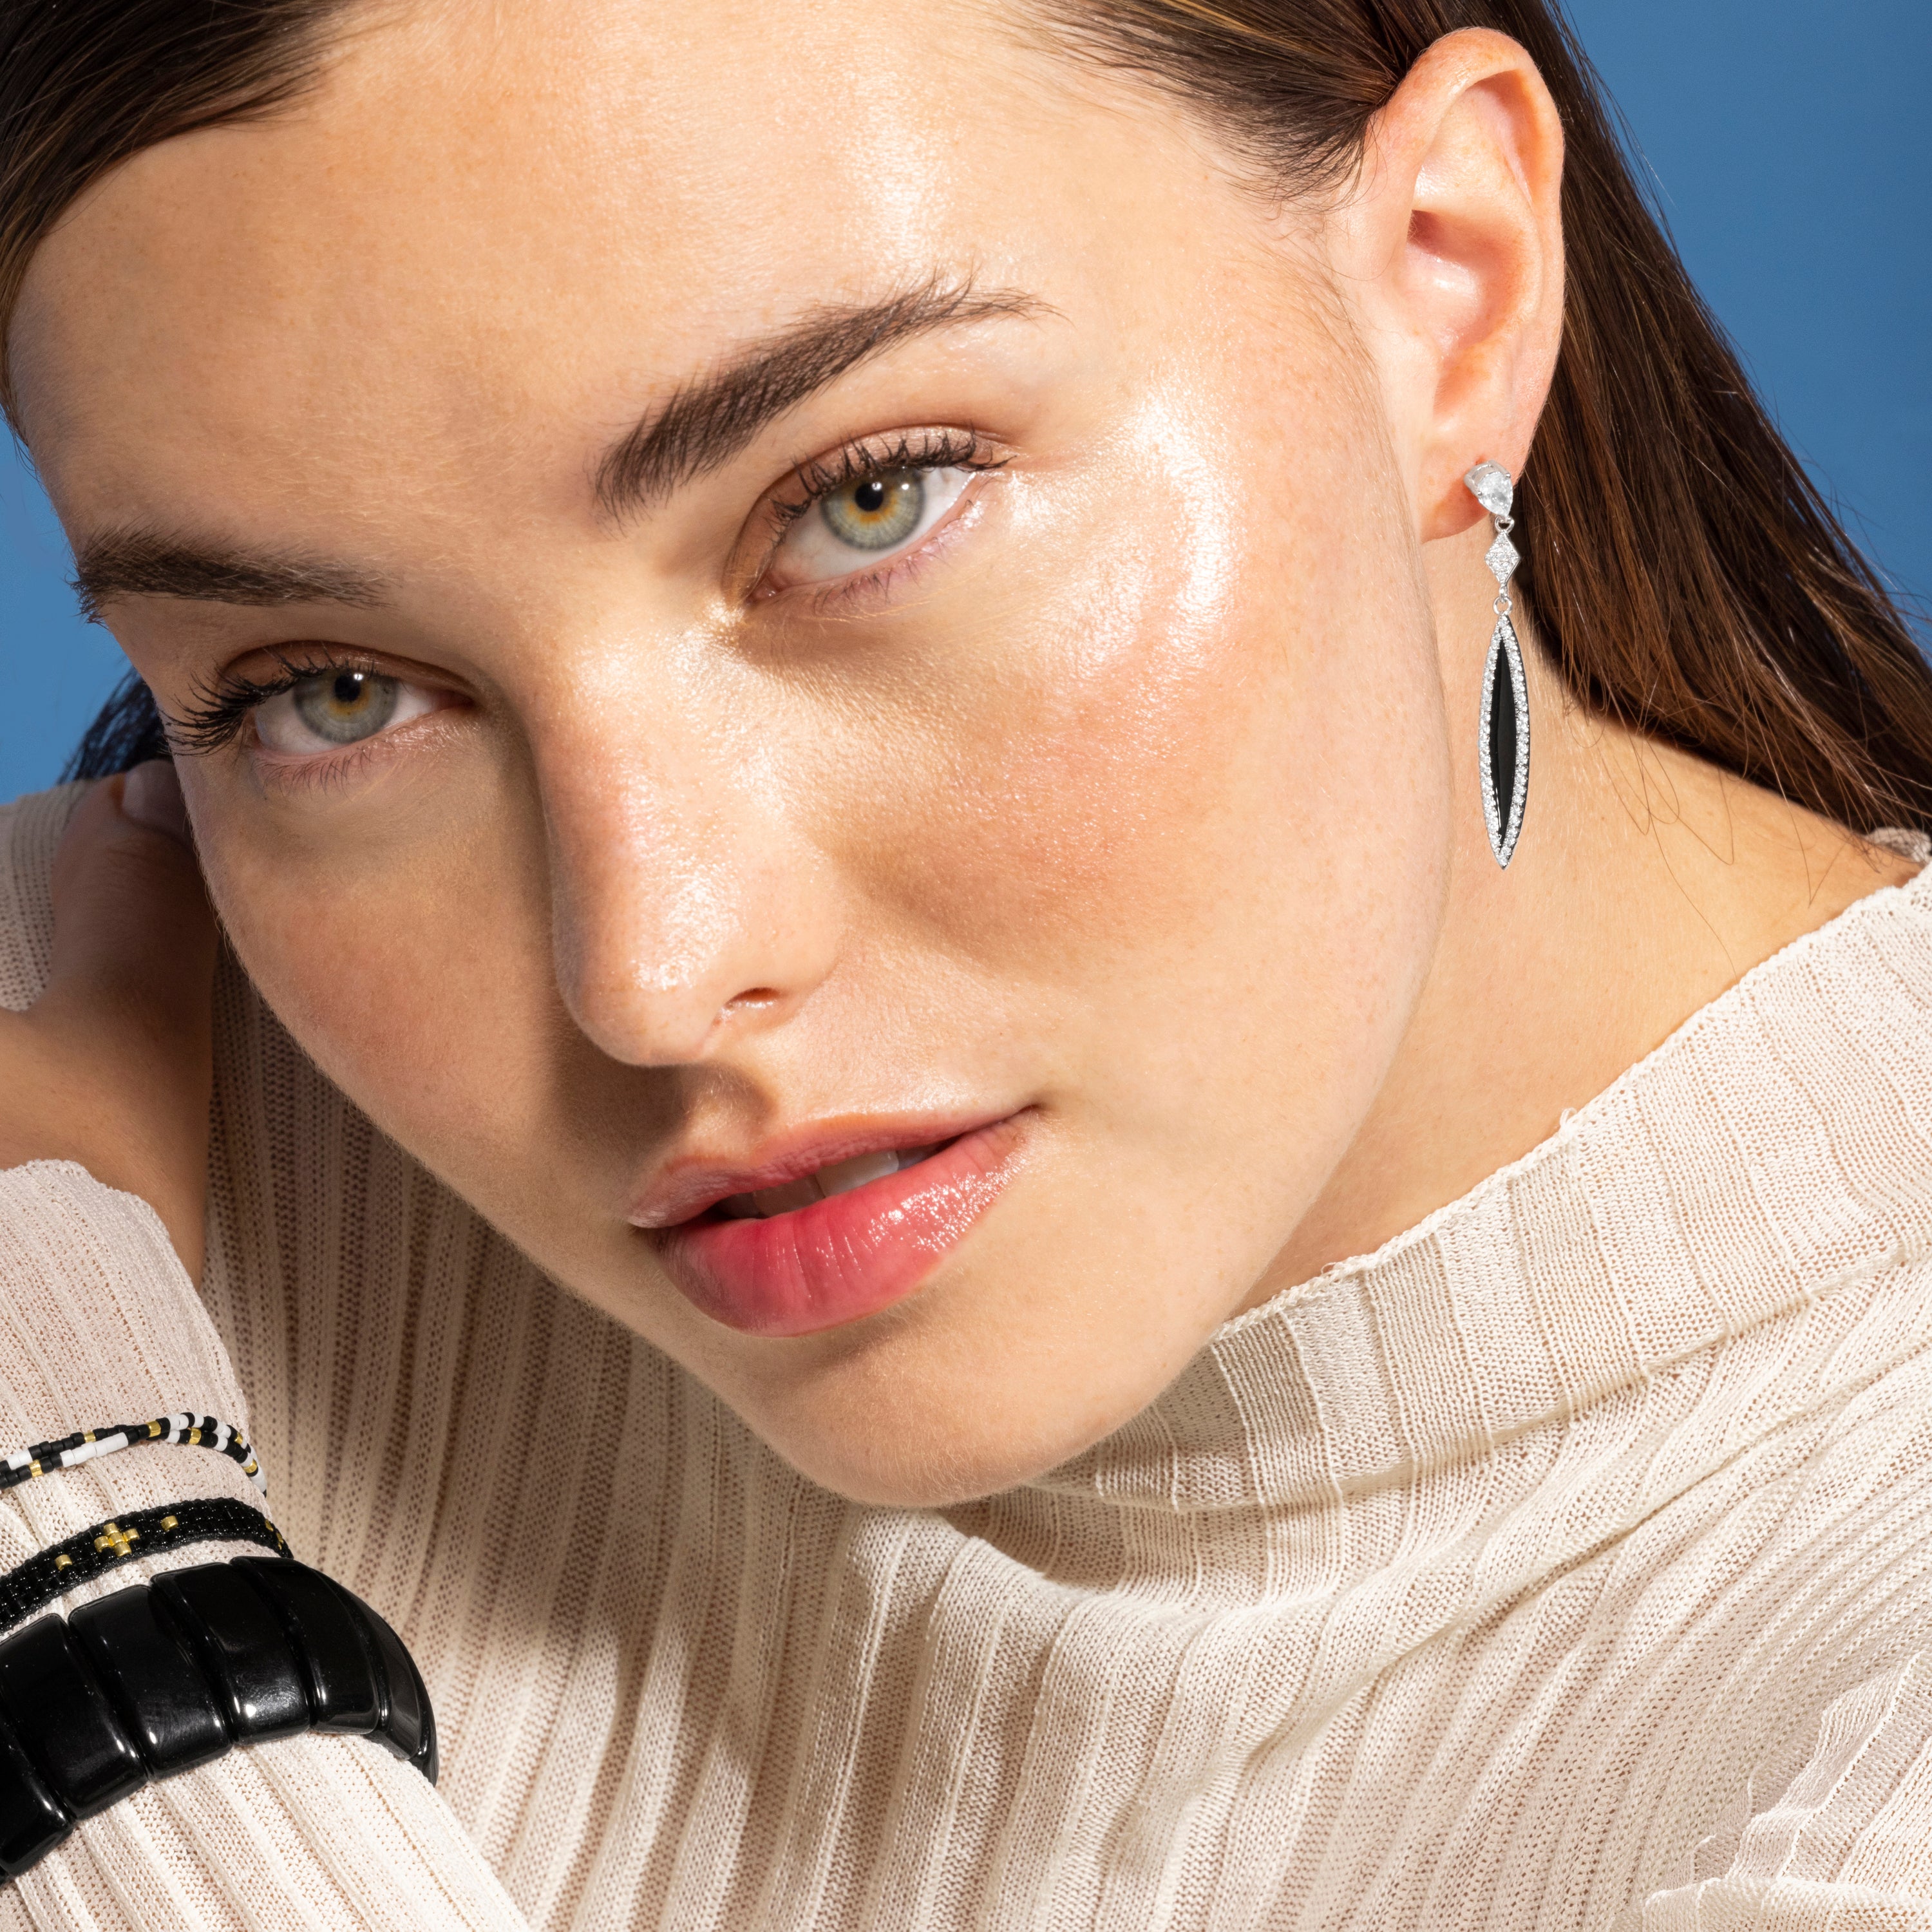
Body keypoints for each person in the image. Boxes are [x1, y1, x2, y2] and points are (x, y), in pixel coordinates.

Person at [1, 0, 1929, 1923]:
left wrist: (89, 1584)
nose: (654, 978)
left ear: (1452, 285)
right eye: (328, 693)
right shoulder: (80, 1115)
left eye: (871, 499)